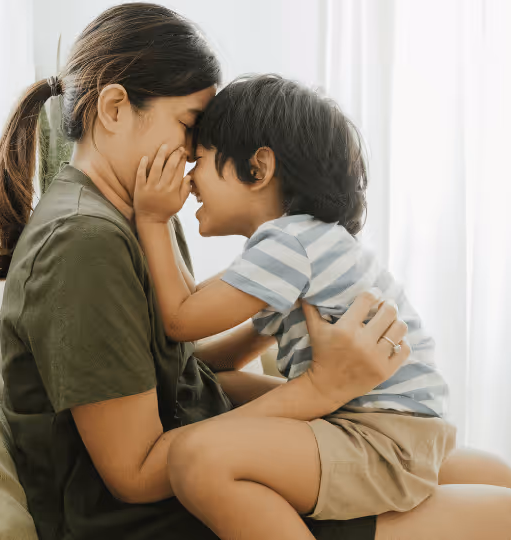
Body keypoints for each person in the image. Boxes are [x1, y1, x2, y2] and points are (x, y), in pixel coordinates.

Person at [0, 3, 511, 540]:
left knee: (497, 475)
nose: (197, 156)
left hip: (209, 449)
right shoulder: (86, 241)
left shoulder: (139, 212)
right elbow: (133, 473)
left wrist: (278, 328)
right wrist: (321, 389)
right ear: (114, 109)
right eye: (190, 125)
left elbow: (173, 368)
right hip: (160, 513)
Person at [133, 74, 454, 538]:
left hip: (382, 437)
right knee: (224, 384)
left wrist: (152, 217)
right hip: (393, 425)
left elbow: (182, 319)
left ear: (258, 168)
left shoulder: (287, 245)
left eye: (199, 161)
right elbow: (223, 350)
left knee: (199, 456)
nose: (188, 178)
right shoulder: (302, 247)